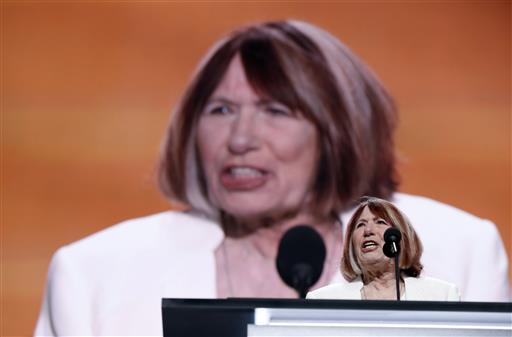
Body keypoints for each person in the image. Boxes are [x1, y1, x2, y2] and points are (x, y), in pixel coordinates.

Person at [34, 20, 509, 336]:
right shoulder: (92, 276)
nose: (240, 139)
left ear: (337, 131)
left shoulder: (459, 250)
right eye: (220, 110)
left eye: (275, 111)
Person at [307, 197, 460, 300]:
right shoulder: (323, 301)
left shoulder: (443, 296)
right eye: (360, 225)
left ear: (402, 238)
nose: (368, 231)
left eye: (380, 222)